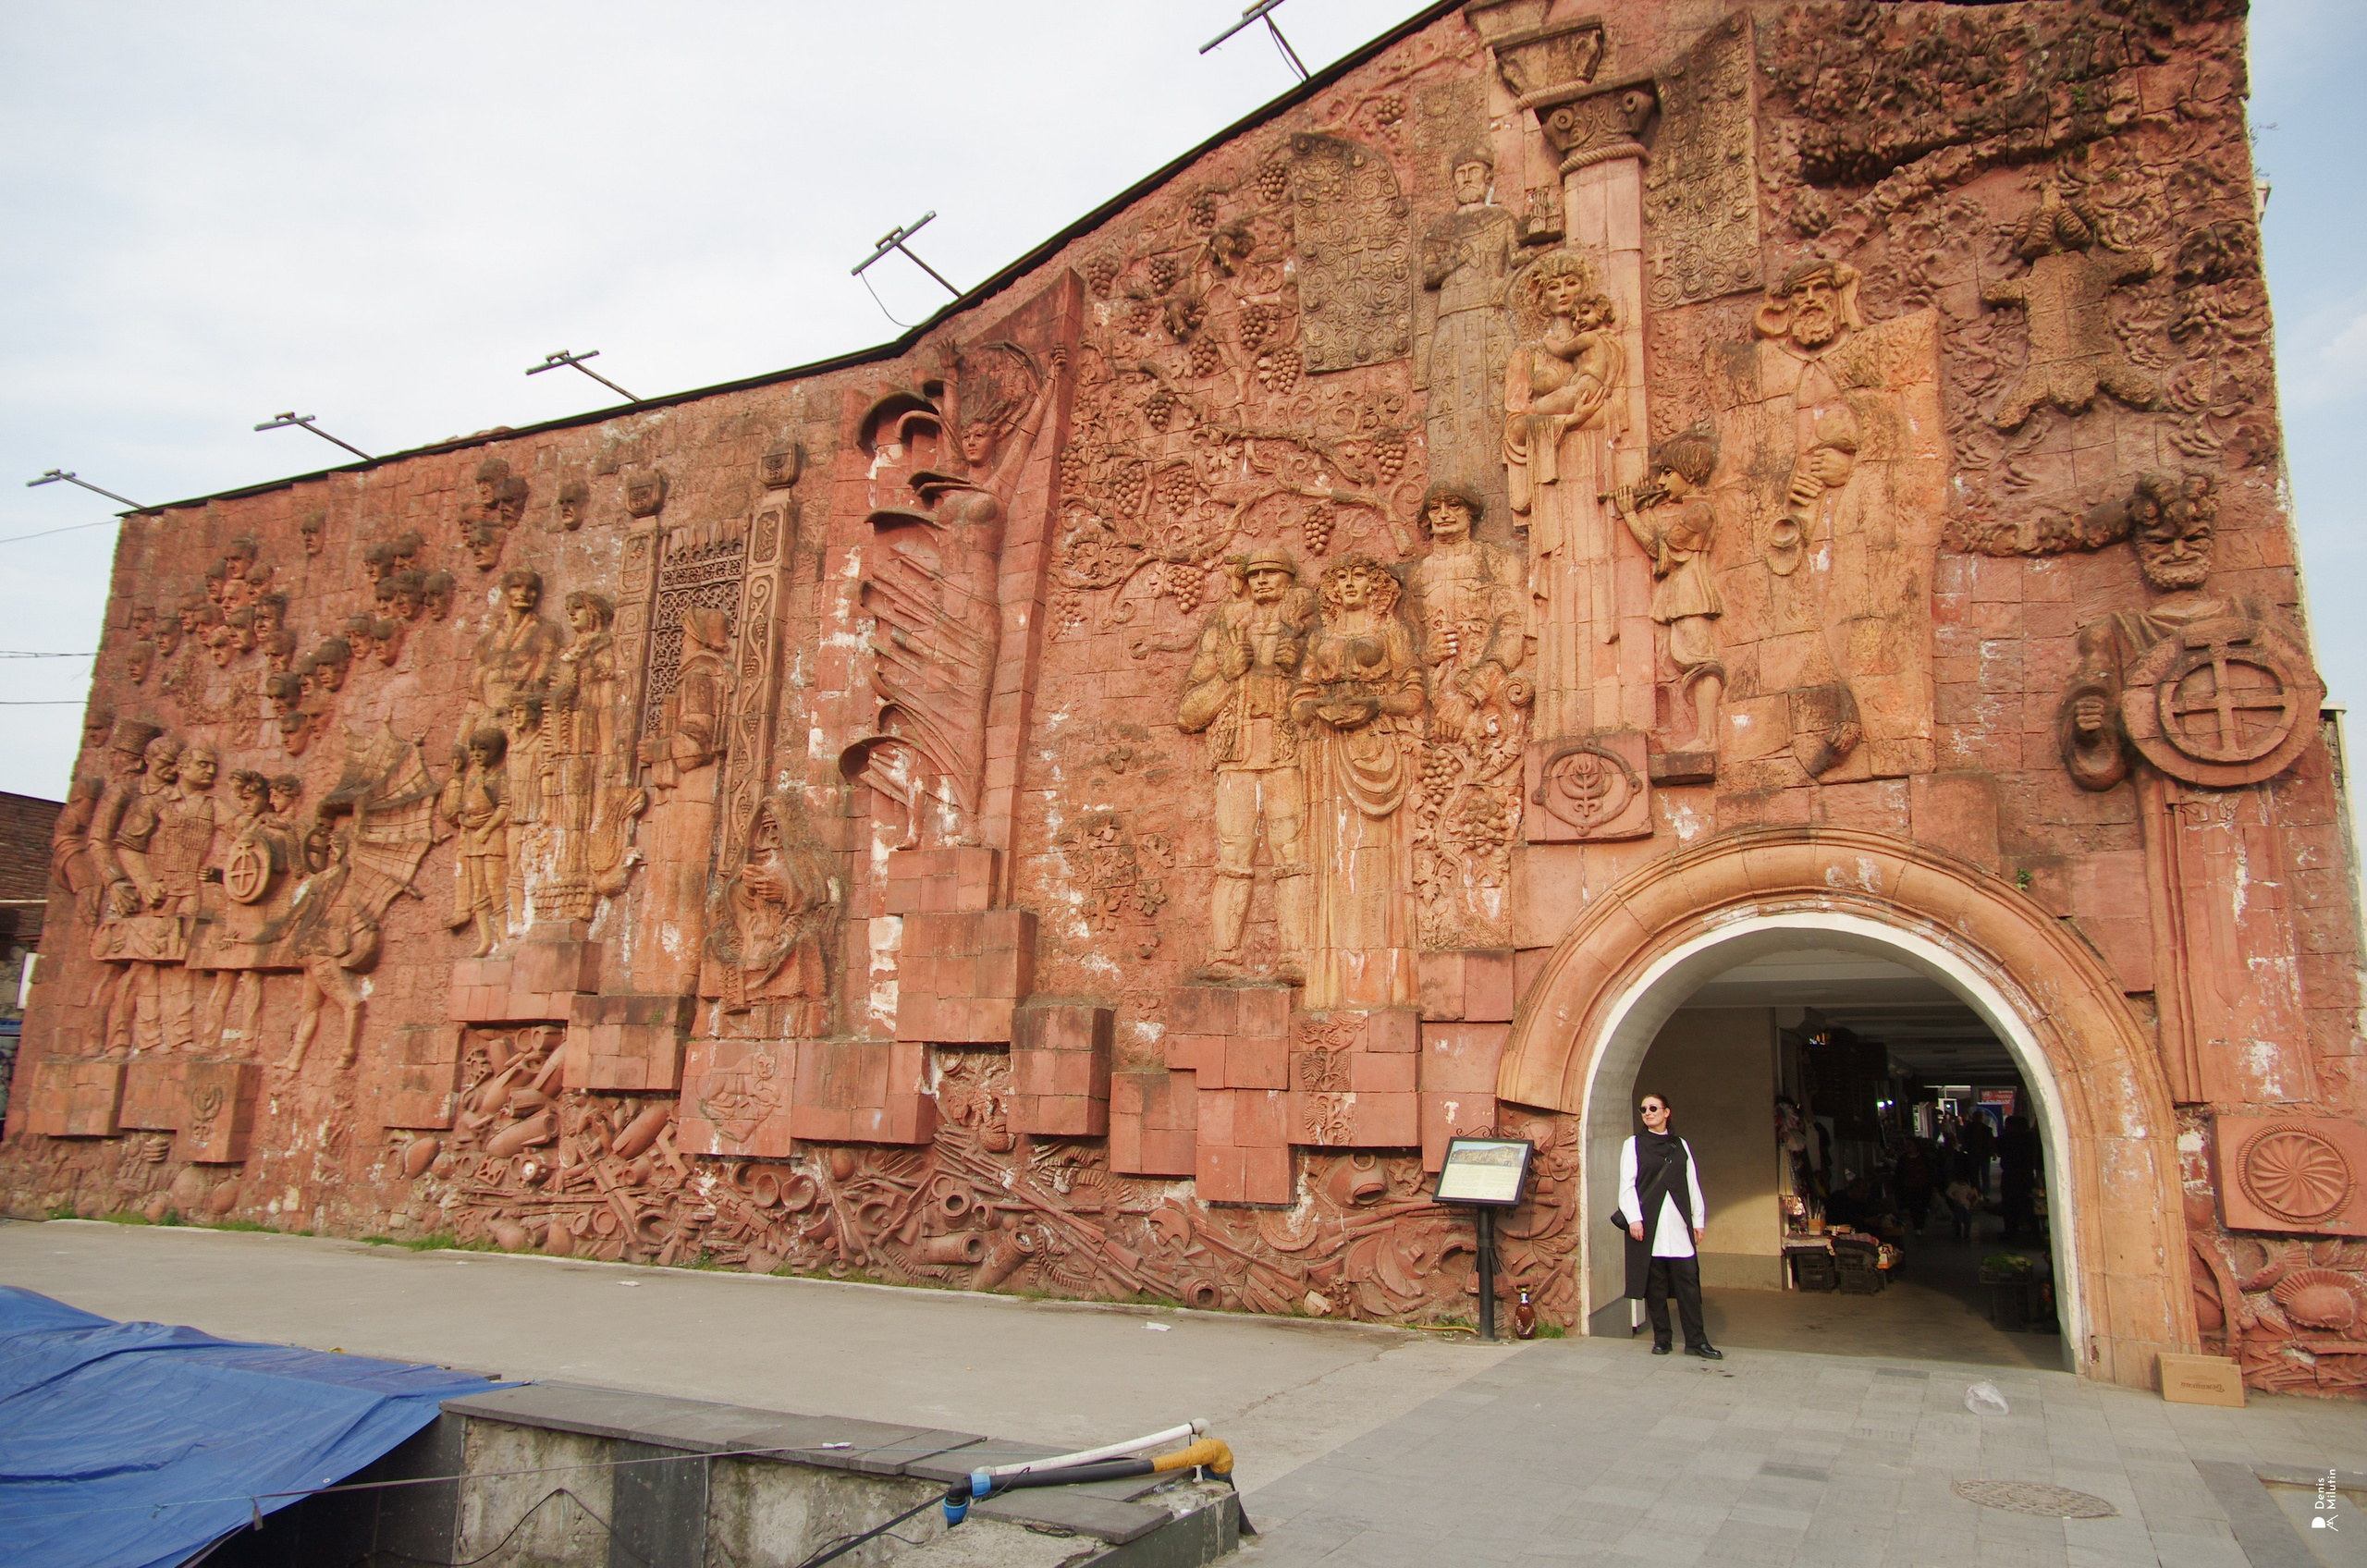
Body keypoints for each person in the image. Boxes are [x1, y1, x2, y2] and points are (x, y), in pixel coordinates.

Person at [1618, 1093, 1721, 1359]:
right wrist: (1634, 1219)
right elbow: (1627, 1185)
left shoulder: (1680, 1145)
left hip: (1678, 1227)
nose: (1648, 1112)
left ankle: (1696, 1341)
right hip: (1649, 1226)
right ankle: (1662, 1339)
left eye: (1653, 1108)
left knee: (1688, 1284)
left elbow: (1691, 1183)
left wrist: (1698, 1220)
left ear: (1667, 1112)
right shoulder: (1634, 1144)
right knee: (1656, 1286)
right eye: (1643, 1109)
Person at [1998, 1114, 2042, 1243]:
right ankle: (2034, 1232)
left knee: (2010, 1205)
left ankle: (2011, 1231)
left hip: (2011, 1175)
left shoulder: (2008, 1138)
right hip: (2026, 1175)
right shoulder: (2029, 1138)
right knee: (2028, 1204)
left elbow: (1999, 1150)